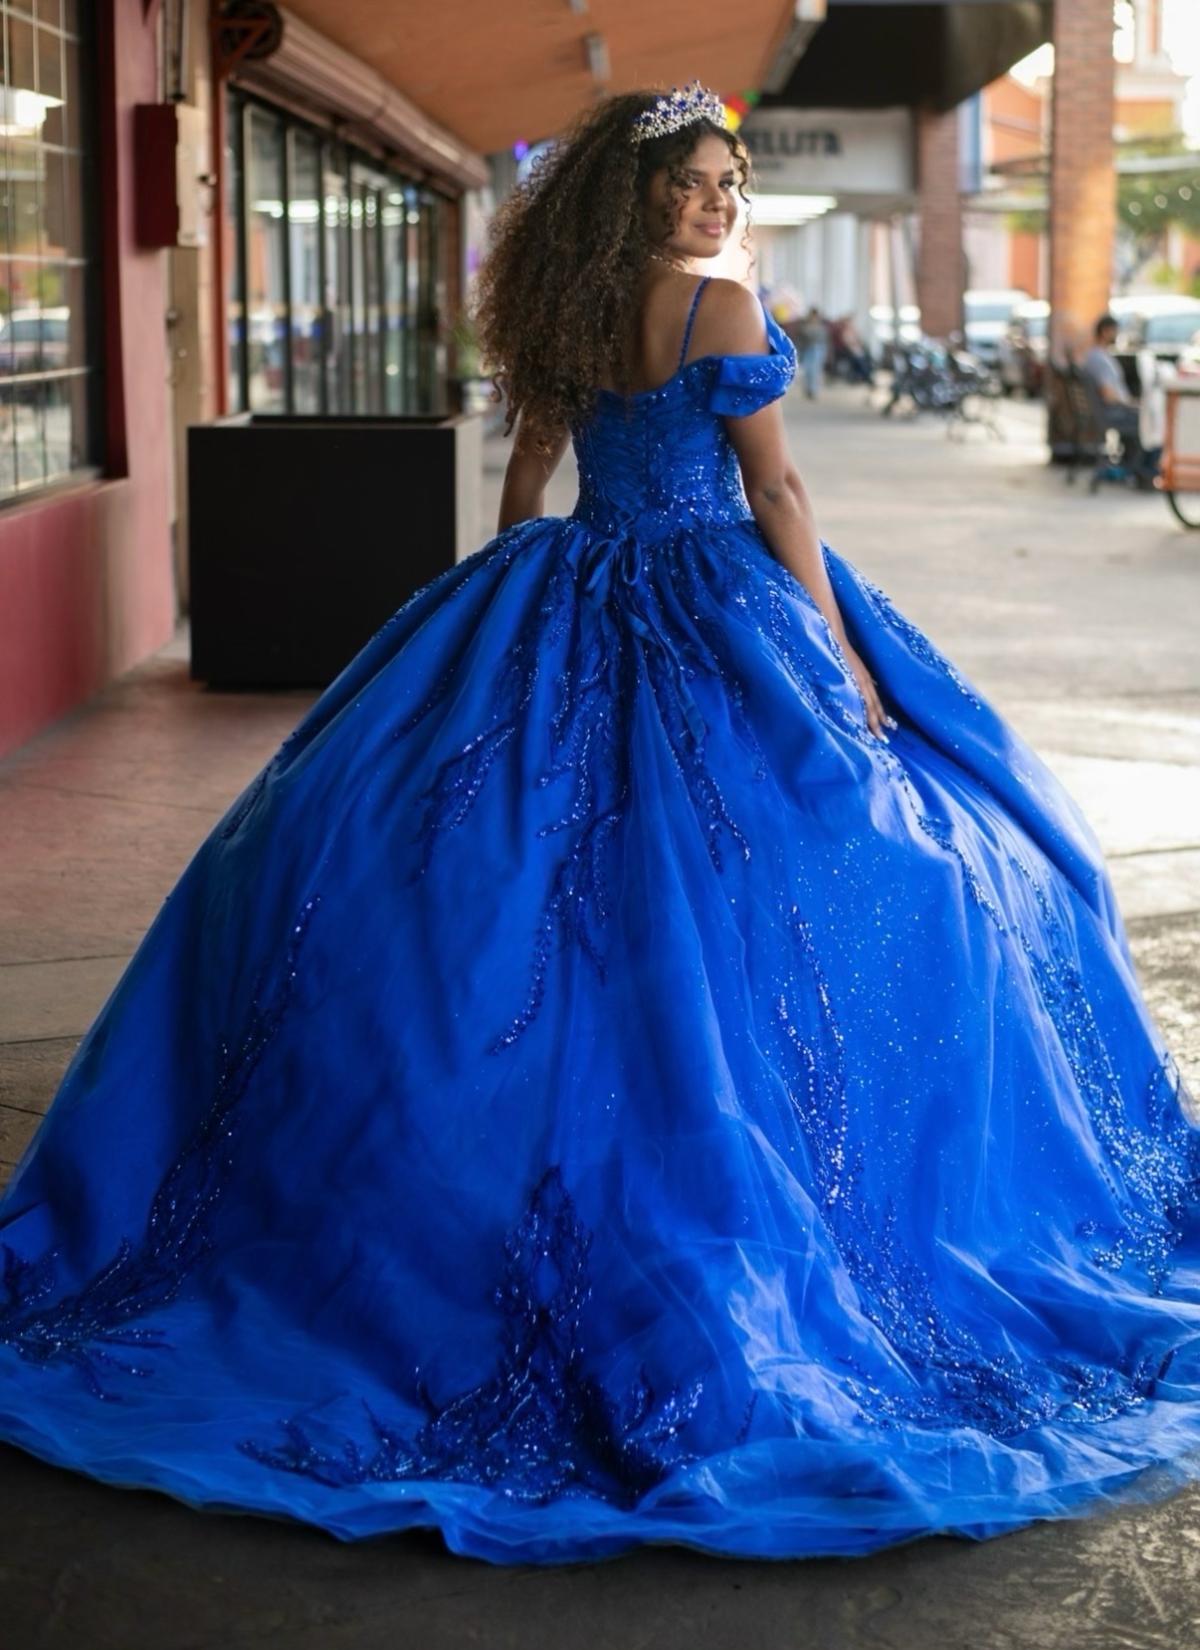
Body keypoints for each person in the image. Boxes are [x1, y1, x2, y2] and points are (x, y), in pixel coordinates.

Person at [1, 81, 1198, 1569]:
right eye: (696, 181)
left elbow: (529, 480)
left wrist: (498, 634)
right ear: (641, 193)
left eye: (730, 182)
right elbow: (778, 488)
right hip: (712, 595)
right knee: (828, 869)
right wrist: (836, 656)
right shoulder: (720, 305)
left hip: (569, 579)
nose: (717, 202)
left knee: (520, 884)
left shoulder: (569, 303)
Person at [1083, 313, 1155, 486]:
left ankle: (1134, 469)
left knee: (1146, 417)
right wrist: (1131, 403)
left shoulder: (1097, 356)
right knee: (1150, 421)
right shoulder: (1099, 359)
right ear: (1105, 331)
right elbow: (1108, 395)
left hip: (1111, 411)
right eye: (1115, 331)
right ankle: (1143, 473)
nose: (1117, 335)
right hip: (1113, 412)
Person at [797, 304, 828, 399]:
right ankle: (809, 389)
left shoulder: (821, 326)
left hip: (818, 349)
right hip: (808, 349)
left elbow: (825, 340)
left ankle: (813, 390)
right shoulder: (805, 325)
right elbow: (802, 338)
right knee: (808, 370)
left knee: (815, 370)